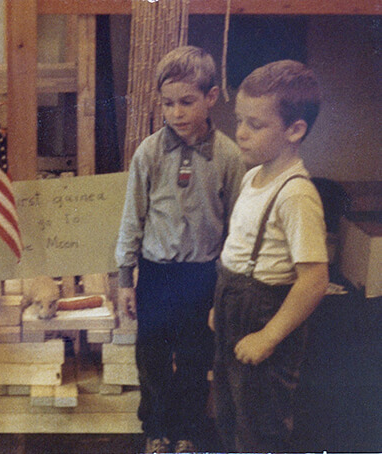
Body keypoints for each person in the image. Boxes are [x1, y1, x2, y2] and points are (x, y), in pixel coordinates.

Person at [115, 45, 245, 453]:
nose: (176, 113)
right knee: (151, 357)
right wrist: (124, 278)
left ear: (211, 97)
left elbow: (236, 225)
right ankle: (155, 428)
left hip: (202, 275)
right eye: (167, 103)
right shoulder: (148, 153)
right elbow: (131, 217)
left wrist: (226, 283)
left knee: (194, 358)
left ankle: (187, 430)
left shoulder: (228, 156)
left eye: (186, 102)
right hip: (156, 273)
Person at [209, 60, 329, 452]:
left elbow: (314, 280)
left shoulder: (296, 194)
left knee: (260, 422)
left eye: (255, 125)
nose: (240, 134)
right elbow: (239, 250)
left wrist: (269, 336)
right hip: (234, 304)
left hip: (265, 313)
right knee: (228, 410)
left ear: (295, 130)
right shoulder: (252, 175)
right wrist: (222, 308)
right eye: (239, 120)